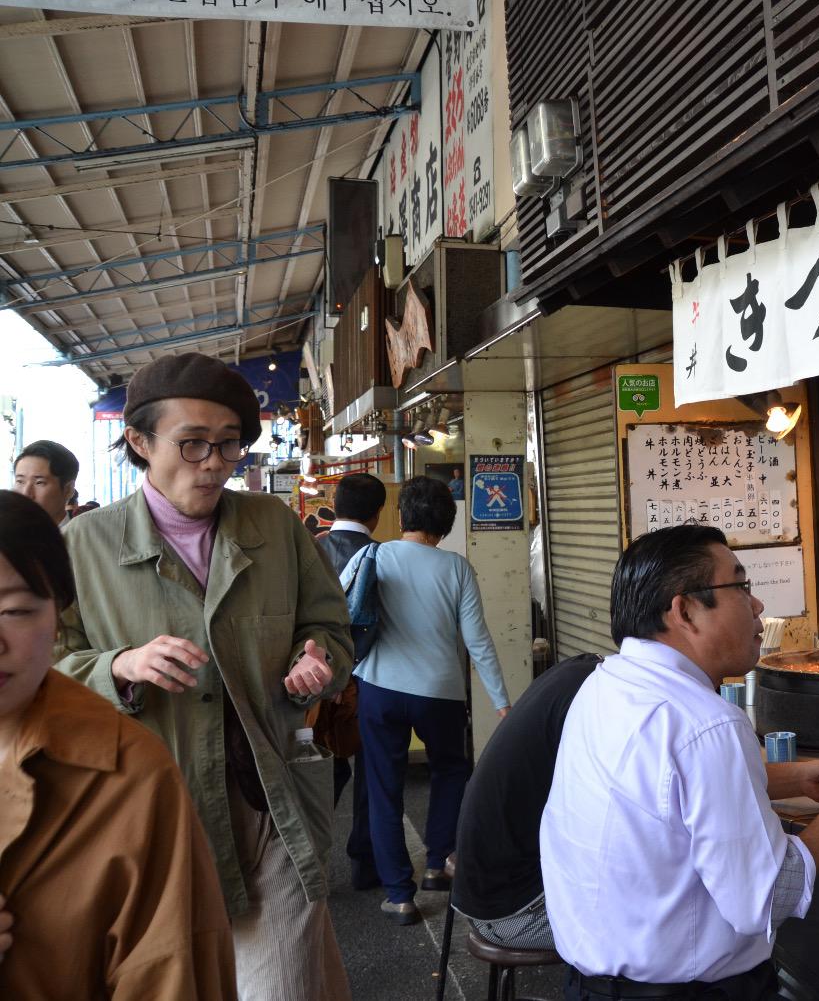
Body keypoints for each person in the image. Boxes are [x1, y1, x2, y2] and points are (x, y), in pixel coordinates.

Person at [53, 352, 355, 1001]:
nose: (215, 462)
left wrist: (319, 661)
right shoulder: (84, 547)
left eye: (229, 445)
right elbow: (45, 670)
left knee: (284, 984)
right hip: (153, 815)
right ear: (139, 441)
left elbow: (331, 629)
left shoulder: (274, 526)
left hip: (268, 796)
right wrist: (119, 666)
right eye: (192, 444)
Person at [542, 524, 819, 1000]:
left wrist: (796, 776)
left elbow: (665, 796)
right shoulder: (708, 724)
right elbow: (768, 896)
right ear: (685, 610)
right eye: (741, 586)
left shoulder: (604, 685)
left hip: (590, 985)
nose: (757, 606)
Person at [0, 490, 238, 998]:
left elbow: (169, 974)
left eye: (15, 611)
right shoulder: (91, 535)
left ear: (57, 614)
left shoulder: (128, 776)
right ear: (138, 443)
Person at [356, 476, 511, 925]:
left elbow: (337, 609)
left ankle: (400, 895)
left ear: (401, 517)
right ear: (446, 523)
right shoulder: (457, 567)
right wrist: (501, 701)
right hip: (439, 693)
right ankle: (438, 861)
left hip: (379, 688)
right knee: (451, 771)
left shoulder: (375, 555)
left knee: (384, 787)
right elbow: (478, 641)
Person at [453, 652, 602, 951]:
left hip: (479, 888)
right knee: (653, 923)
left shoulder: (575, 673)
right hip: (510, 913)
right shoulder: (594, 698)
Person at [316, 471, 389, 890]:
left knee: (319, 770)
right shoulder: (381, 556)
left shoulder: (311, 550)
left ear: (334, 503)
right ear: (378, 514)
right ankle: (365, 863)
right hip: (367, 680)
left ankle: (308, 861)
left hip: (312, 680)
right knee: (370, 771)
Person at [12, 439, 79, 527]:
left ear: (68, 490)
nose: (25, 493)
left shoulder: (81, 539)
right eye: (20, 481)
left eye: (39, 482)